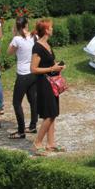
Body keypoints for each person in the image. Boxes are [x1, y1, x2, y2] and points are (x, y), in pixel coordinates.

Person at [30, 19, 65, 155]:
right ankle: (37, 142)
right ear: (46, 30)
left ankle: (51, 144)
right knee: (49, 114)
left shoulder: (47, 45)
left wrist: (58, 66)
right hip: (44, 83)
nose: (52, 29)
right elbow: (33, 68)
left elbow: (49, 63)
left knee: (54, 113)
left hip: (52, 82)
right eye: (50, 27)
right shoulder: (37, 47)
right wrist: (51, 68)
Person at [8, 16, 38, 138]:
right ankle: (33, 126)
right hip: (33, 73)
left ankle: (21, 131)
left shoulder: (17, 39)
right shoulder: (34, 36)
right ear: (27, 24)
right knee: (33, 100)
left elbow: (9, 53)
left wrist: (14, 35)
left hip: (23, 74)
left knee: (16, 102)